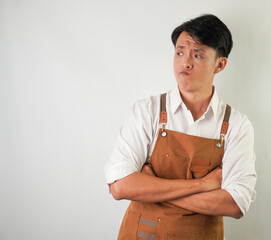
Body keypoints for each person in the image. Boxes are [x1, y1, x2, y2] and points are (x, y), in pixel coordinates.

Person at [104, 14, 257, 240]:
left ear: (220, 64)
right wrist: (205, 184)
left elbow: (235, 204)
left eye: (197, 55)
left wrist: (151, 187)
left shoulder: (236, 125)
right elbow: (119, 187)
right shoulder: (148, 111)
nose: (185, 62)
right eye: (180, 52)